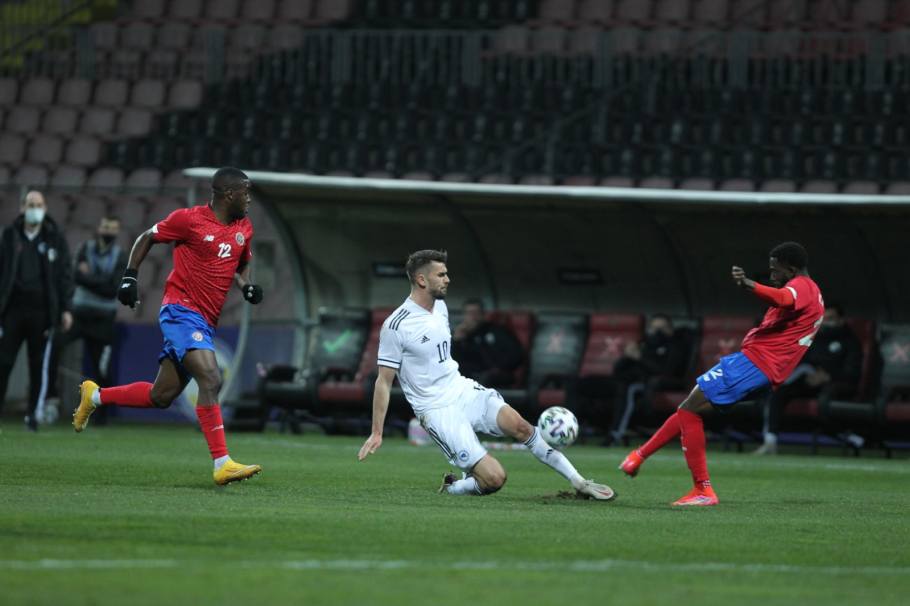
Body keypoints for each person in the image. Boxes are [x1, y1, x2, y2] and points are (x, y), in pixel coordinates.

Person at [357, 249, 615, 500]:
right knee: (494, 479)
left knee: (522, 427)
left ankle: (579, 482)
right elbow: (384, 381)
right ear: (422, 280)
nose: (448, 279)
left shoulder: (441, 307)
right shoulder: (396, 325)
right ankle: (453, 487)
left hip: (461, 389)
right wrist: (377, 431)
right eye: (441, 274)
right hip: (436, 409)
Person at [71, 167, 264, 486]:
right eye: (245, 192)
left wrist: (246, 286)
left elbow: (241, 264)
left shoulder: (244, 227)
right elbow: (147, 237)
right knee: (211, 376)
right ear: (229, 194)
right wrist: (130, 276)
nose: (249, 199)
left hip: (206, 320)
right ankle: (222, 462)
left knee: (161, 395)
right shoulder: (189, 220)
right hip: (180, 310)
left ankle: (95, 396)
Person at [618, 242, 824, 506]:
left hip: (755, 364)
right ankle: (639, 456)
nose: (772, 275)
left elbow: (783, 298)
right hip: (759, 367)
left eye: (775, 270)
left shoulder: (803, 286)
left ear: (792, 269)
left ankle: (702, 490)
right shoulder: (811, 292)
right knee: (689, 409)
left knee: (689, 409)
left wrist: (749, 284)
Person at [0, 191, 73, 431]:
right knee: (3, 363)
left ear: (45, 208)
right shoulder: (10, 236)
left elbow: (65, 275)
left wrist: (66, 308)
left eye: (39, 205)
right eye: (31, 205)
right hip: (12, 310)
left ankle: (33, 416)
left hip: (42, 312)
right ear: (22, 208)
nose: (35, 209)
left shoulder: (54, 238)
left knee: (38, 366)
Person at [754, 304, 860, 455]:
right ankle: (770, 441)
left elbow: (853, 372)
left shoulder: (851, 342)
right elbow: (803, 360)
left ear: (841, 320)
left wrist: (829, 376)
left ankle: (853, 438)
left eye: (831, 318)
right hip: (809, 381)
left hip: (835, 386)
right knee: (778, 391)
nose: (826, 322)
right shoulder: (813, 337)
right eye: (824, 318)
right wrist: (813, 374)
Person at [52, 215, 128, 425]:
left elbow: (112, 289)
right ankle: (50, 398)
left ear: (117, 231)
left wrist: (88, 278)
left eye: (112, 228)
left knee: (100, 368)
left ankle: (101, 415)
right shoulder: (84, 248)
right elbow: (75, 275)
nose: (108, 231)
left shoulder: (121, 255)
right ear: (99, 228)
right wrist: (100, 281)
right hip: (79, 313)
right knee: (53, 346)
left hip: (103, 318)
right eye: (105, 226)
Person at [602, 314, 688, 445]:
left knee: (629, 388)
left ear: (670, 330)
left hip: (660, 384)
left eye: (662, 329)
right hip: (634, 380)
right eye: (654, 329)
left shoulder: (675, 347)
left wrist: (639, 358)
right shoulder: (644, 344)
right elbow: (617, 370)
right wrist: (627, 356)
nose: (658, 333)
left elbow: (665, 372)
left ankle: (615, 434)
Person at [451, 298, 523, 388]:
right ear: (464, 316)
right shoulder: (460, 334)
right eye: (469, 313)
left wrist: (499, 367)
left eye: (476, 313)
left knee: (483, 380)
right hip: (470, 375)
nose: (473, 317)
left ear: (483, 314)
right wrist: (456, 342)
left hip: (496, 374)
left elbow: (516, 354)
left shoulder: (497, 331)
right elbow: (452, 361)